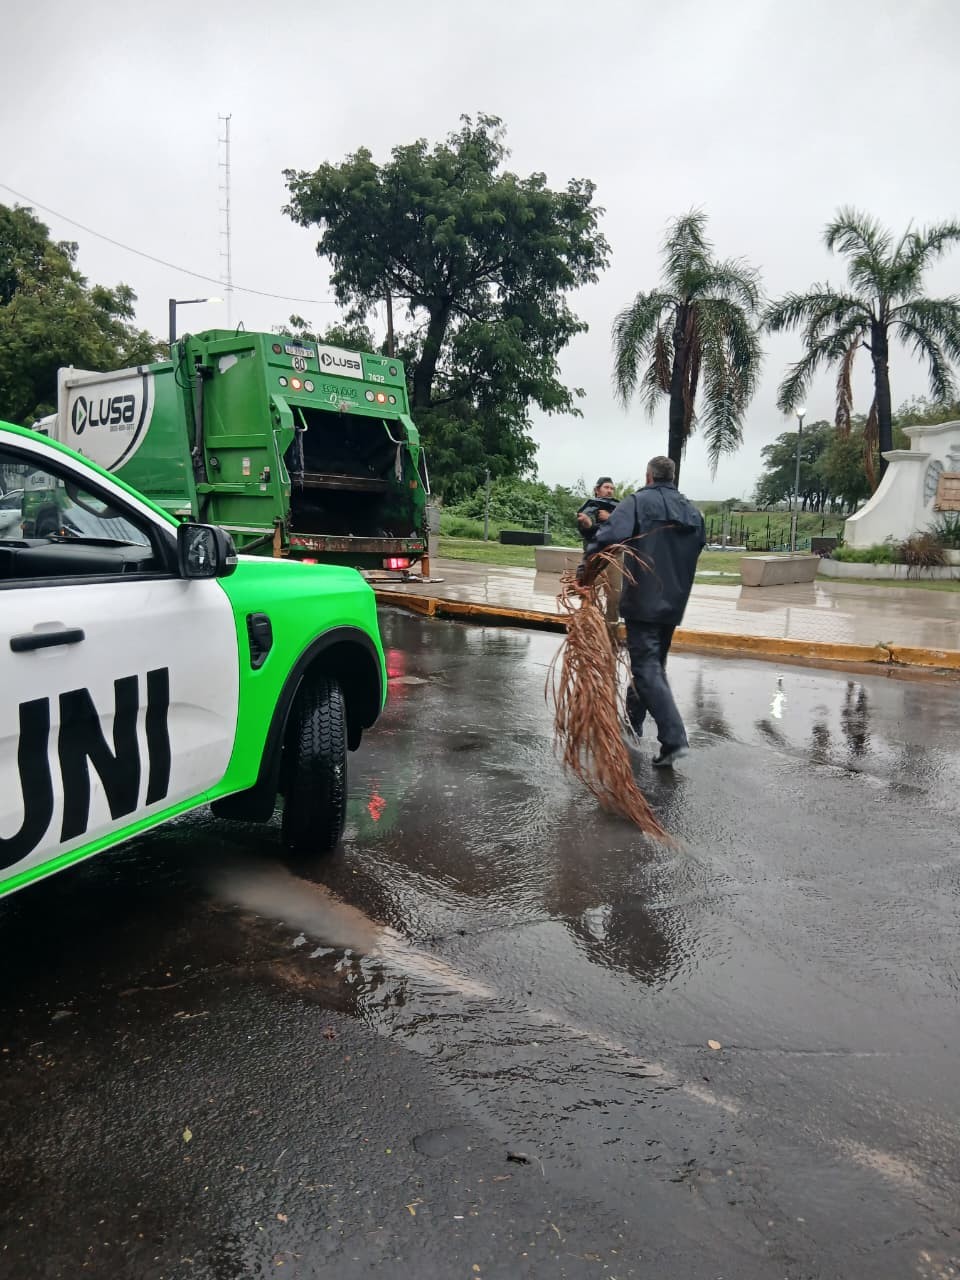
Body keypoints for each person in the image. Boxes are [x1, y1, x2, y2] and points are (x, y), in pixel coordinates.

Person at [583, 456, 705, 767]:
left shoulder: (638, 502)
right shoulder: (692, 510)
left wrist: (584, 574)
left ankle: (674, 738)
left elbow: (607, 537)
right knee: (652, 667)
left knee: (646, 668)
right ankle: (634, 724)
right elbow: (698, 546)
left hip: (644, 601)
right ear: (672, 477)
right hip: (674, 603)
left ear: (648, 476)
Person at [576, 477, 621, 632]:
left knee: (614, 595)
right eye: (606, 487)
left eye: (612, 488)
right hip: (594, 555)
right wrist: (589, 524)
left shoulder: (620, 507)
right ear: (597, 489)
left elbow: (627, 527)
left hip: (615, 556)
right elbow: (585, 528)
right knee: (590, 591)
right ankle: (586, 627)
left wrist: (611, 518)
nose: (609, 490)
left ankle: (611, 629)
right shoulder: (590, 506)